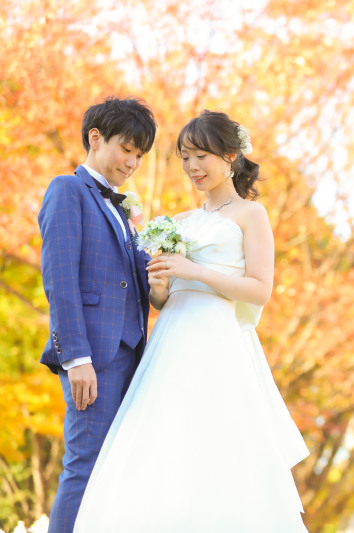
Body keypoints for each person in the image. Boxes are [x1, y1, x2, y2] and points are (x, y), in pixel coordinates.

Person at [73, 110, 309, 531]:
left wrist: (193, 270)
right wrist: (161, 283)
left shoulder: (252, 216)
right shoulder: (178, 222)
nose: (192, 167)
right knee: (161, 445)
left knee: (217, 445)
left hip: (217, 342)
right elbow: (164, 299)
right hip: (171, 341)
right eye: (185, 158)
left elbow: (259, 288)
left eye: (201, 156)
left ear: (230, 157)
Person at [38, 96, 157, 533]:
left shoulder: (125, 209)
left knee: (119, 473)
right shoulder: (68, 190)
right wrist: (76, 358)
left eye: (140, 155)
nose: (133, 162)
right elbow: (60, 279)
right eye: (127, 149)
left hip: (134, 357)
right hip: (94, 358)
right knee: (85, 466)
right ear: (95, 137)